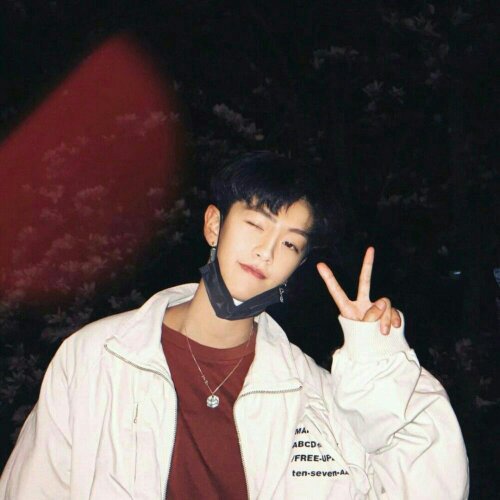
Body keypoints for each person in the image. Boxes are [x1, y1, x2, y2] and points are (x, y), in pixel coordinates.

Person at [0, 152, 468, 499]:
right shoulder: (96, 358)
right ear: (213, 225)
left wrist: (377, 362)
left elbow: (430, 486)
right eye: (256, 224)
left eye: (290, 244)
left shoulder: (309, 395)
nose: (267, 251)